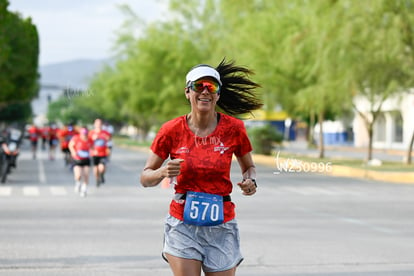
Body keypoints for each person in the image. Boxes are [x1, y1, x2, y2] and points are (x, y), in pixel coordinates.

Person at [140, 59, 263, 276]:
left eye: (211, 87)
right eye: (199, 86)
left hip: (222, 224)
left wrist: (250, 181)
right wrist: (162, 172)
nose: (205, 91)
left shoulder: (234, 129)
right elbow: (145, 177)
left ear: (217, 94)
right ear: (187, 92)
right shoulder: (171, 130)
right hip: (182, 223)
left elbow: (249, 167)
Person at [68, 126, 92, 197]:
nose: (84, 134)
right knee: (78, 175)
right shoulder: (76, 138)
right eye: (83, 133)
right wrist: (73, 152)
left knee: (86, 175)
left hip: (86, 160)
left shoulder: (89, 140)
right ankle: (78, 183)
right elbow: (70, 145)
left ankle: (84, 189)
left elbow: (93, 147)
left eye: (85, 133)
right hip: (77, 159)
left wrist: (92, 152)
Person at [88, 118, 111, 187]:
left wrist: (105, 138)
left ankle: (102, 175)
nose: (98, 125)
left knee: (102, 167)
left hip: (103, 153)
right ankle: (97, 179)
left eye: (100, 123)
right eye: (97, 123)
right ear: (94, 124)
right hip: (94, 153)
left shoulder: (105, 132)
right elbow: (87, 142)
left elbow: (109, 139)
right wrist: (93, 139)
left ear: (102, 124)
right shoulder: (91, 133)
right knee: (95, 168)